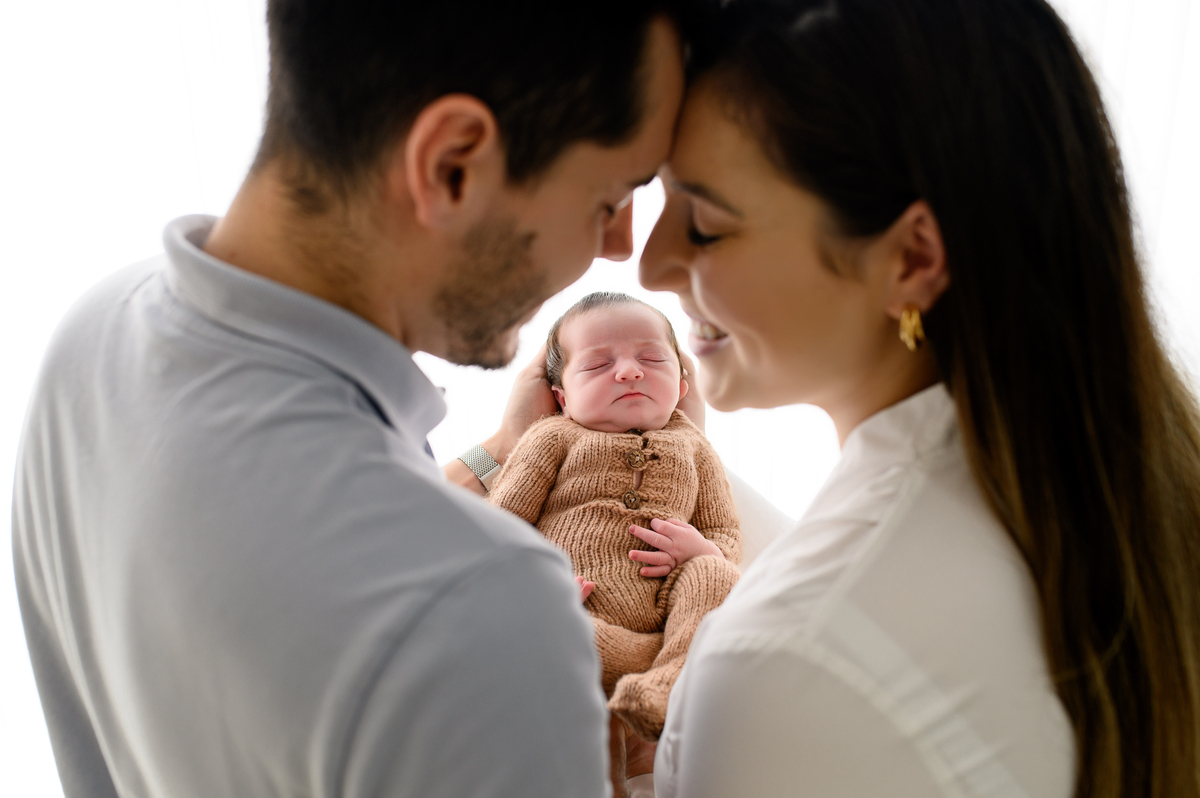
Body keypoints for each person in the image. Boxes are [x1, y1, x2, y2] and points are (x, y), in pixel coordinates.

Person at [11, 2, 689, 797]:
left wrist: (502, 450)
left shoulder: (91, 335)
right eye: (610, 196)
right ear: (452, 164)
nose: (623, 248)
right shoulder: (486, 611)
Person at [629, 0, 1200, 795]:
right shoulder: (1124, 488)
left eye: (706, 225)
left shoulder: (786, 663)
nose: (649, 266)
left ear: (912, 257)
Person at [487, 292, 741, 744]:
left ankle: (662, 683)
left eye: (652, 358)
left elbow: (723, 530)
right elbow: (499, 526)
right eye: (597, 365)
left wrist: (702, 551)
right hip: (580, 606)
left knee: (716, 573)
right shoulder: (553, 437)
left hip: (672, 611)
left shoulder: (696, 446)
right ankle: (661, 672)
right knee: (544, 634)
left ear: (682, 388)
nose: (629, 371)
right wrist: (536, 583)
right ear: (562, 397)